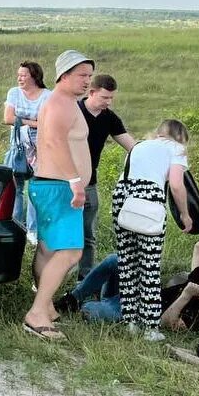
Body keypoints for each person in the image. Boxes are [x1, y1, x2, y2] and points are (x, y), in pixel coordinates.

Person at [23, 49, 94, 341]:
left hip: (50, 184)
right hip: (60, 186)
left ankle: (47, 305)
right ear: (63, 75)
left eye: (90, 76)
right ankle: (37, 313)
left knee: (48, 249)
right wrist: (76, 181)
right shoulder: (61, 103)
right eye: (82, 75)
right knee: (71, 252)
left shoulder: (62, 102)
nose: (87, 81)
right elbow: (53, 141)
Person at [56, 229, 199, 329]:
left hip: (136, 314)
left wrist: (185, 296)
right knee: (116, 259)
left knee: (89, 311)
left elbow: (165, 324)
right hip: (137, 292)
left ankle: (93, 303)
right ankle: (73, 298)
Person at [113, 119, 192, 340]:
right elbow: (176, 184)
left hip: (123, 198)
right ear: (180, 136)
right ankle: (150, 327)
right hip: (149, 199)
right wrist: (185, 214)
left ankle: (130, 321)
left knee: (127, 261)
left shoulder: (137, 146)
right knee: (149, 265)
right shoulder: (176, 149)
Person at [77, 74, 136, 279]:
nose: (108, 102)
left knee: (88, 234)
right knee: (62, 235)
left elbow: (132, 147)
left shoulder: (109, 118)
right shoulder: (74, 111)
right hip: (63, 180)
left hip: (90, 182)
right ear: (91, 93)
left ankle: (84, 277)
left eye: (111, 98)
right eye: (104, 98)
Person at [2, 61, 51, 242]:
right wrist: (33, 122)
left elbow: (48, 120)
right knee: (16, 185)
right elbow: (8, 118)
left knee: (35, 187)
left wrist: (21, 119)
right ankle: (15, 224)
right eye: (19, 75)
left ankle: (33, 229)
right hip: (19, 145)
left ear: (34, 76)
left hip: (41, 146)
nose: (19, 78)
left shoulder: (47, 95)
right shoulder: (14, 93)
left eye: (24, 75)